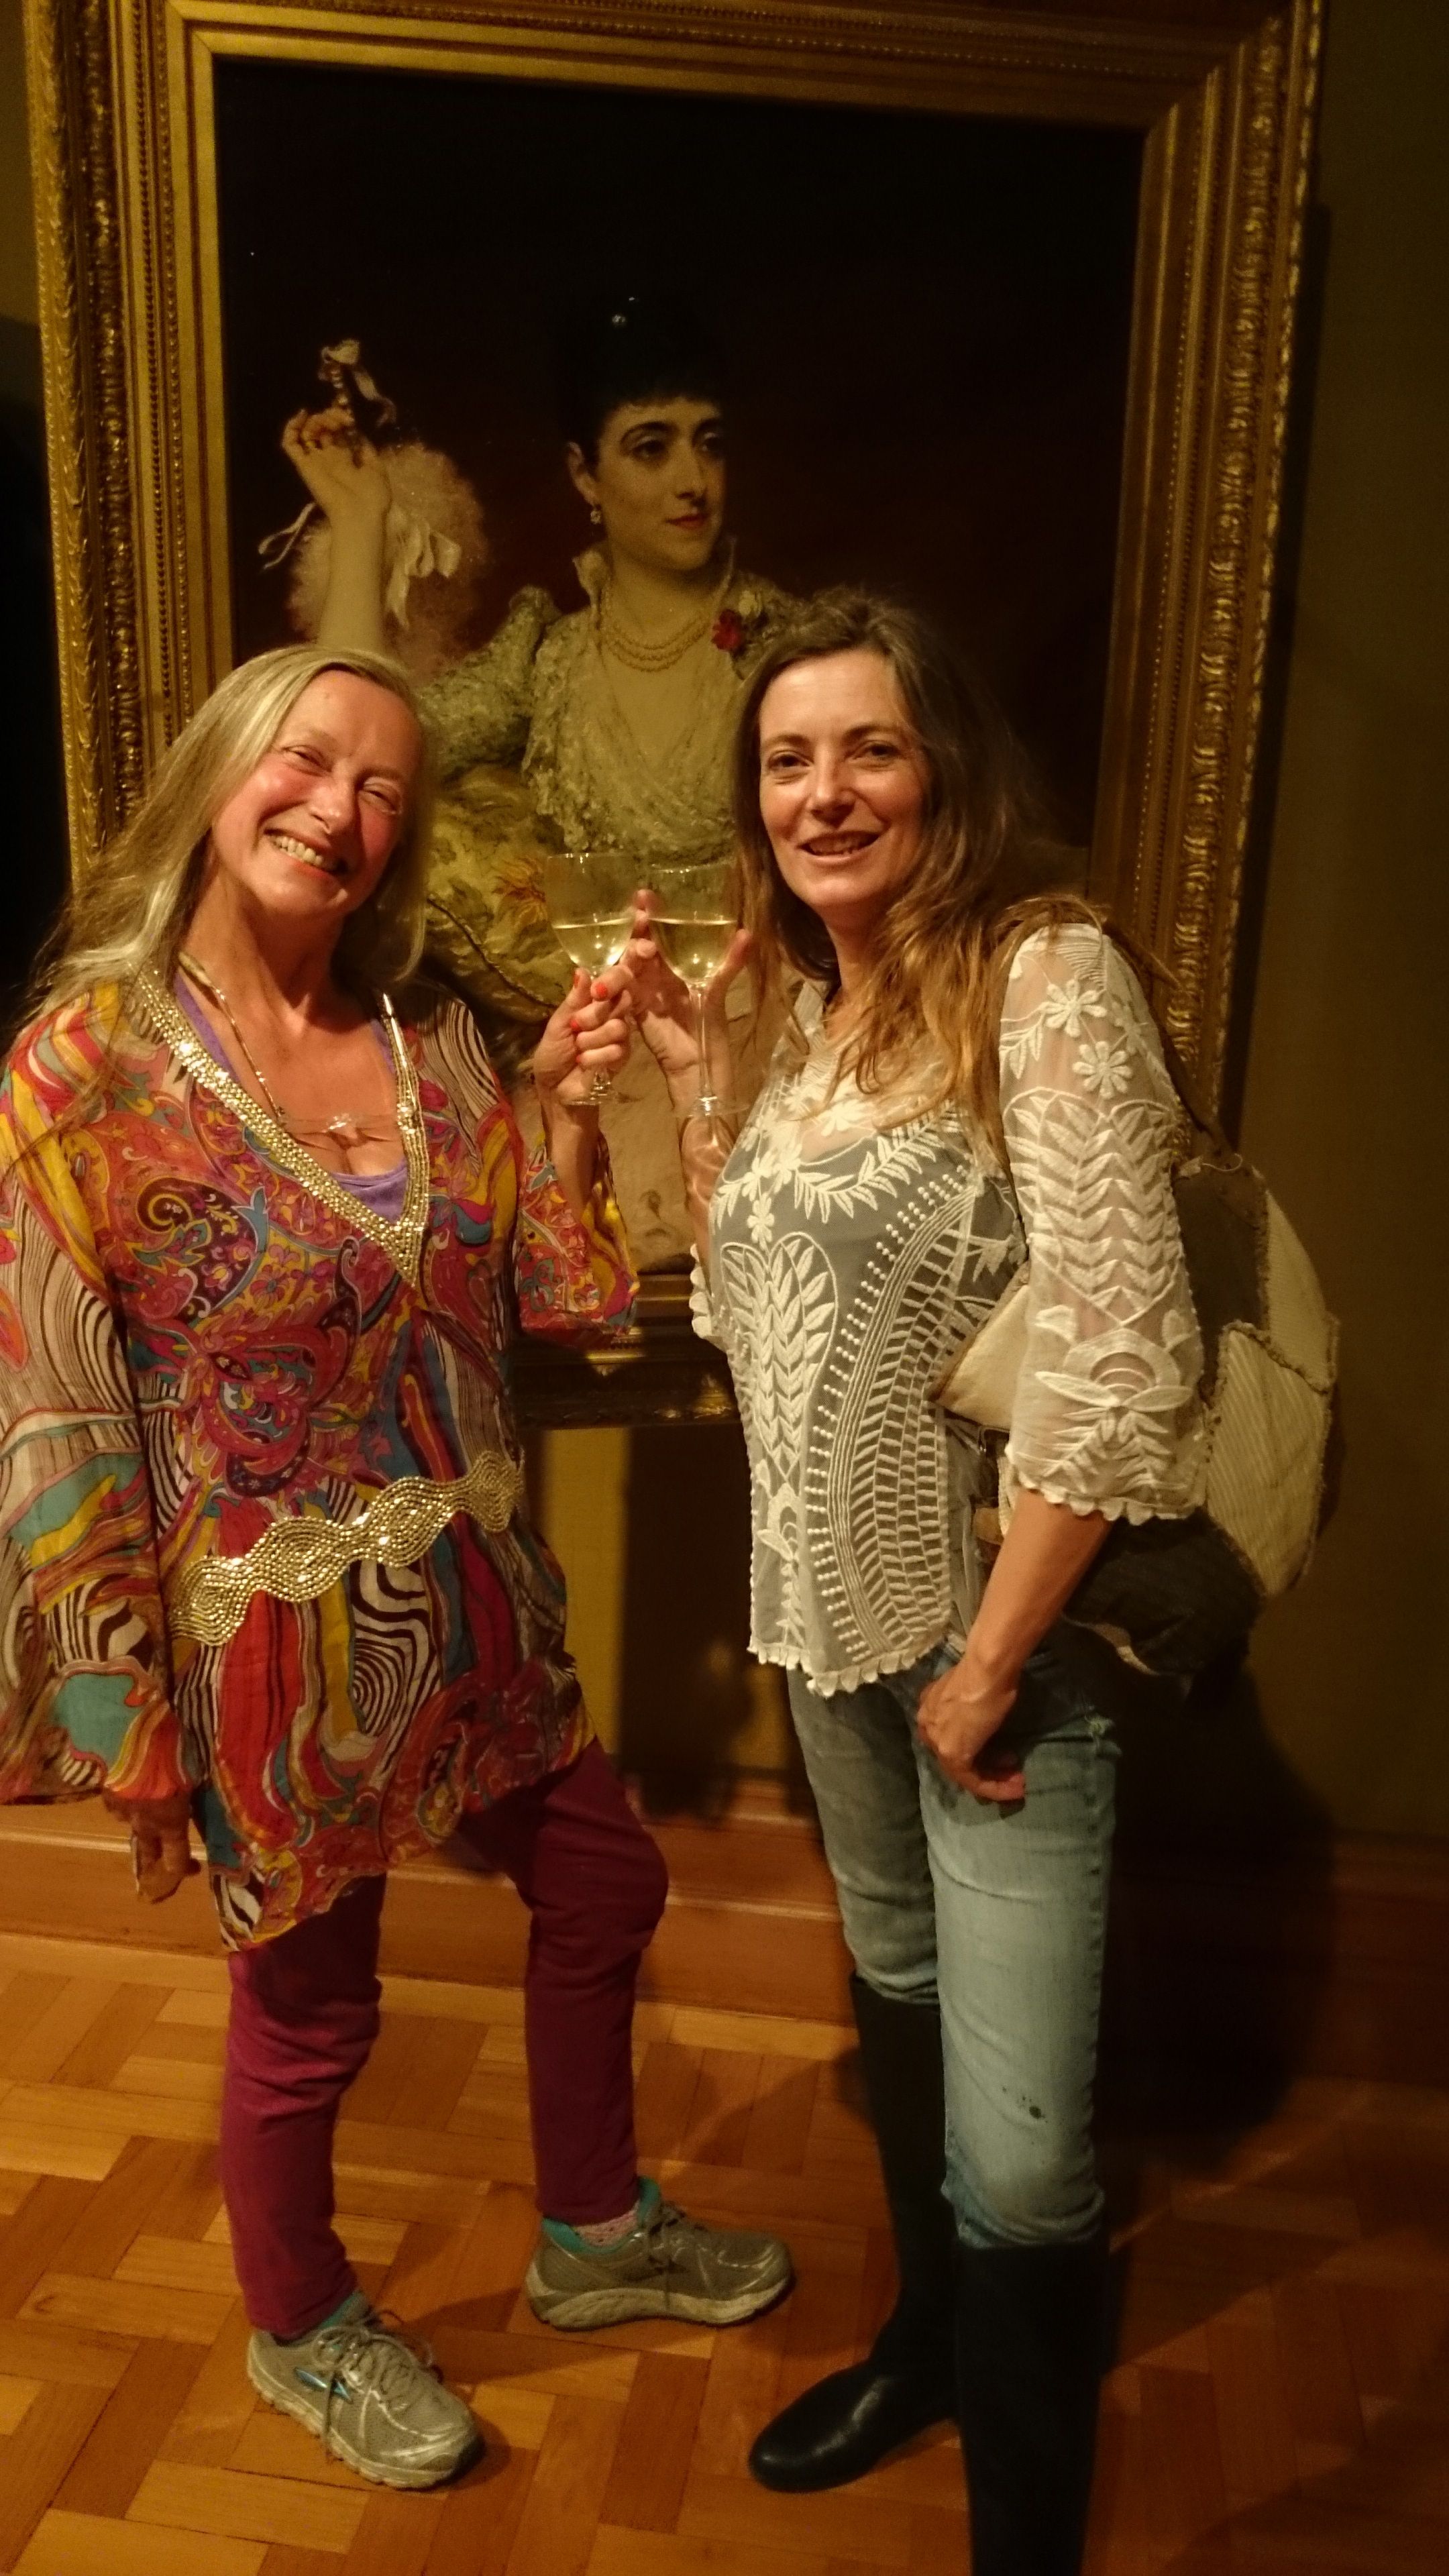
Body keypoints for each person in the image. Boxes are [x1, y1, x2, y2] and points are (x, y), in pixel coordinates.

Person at [0, 644, 789, 2493]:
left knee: (605, 1887)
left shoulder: (430, 1040)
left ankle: (593, 2229)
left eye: (383, 790)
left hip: (480, 1603)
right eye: (308, 760)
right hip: (273, 1652)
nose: (340, 810)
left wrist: (567, 1106)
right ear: (218, 770)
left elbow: (560, 1304)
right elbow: (52, 1411)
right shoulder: (80, 1070)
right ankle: (298, 2323)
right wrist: (120, 1721)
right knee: (314, 2012)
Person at [635, 592, 1205, 2573]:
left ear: (944, 765)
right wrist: (706, 1080)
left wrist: (989, 1663)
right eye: (787, 760)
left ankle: (1023, 2531)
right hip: (833, 1631)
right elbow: (755, 1324)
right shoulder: (821, 1016)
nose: (825, 793)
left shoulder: (1043, 978)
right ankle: (932, 2348)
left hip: (997, 1653)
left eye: (868, 748)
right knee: (897, 1990)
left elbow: (1125, 1357)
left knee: (1028, 2155)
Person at [281, 294, 794, 1264]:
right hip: (605, 1050)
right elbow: (358, 733)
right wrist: (362, 519)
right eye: (650, 447)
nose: (692, 480)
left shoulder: (786, 650)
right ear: (583, 475)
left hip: (758, 1042)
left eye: (709, 442)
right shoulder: (547, 658)